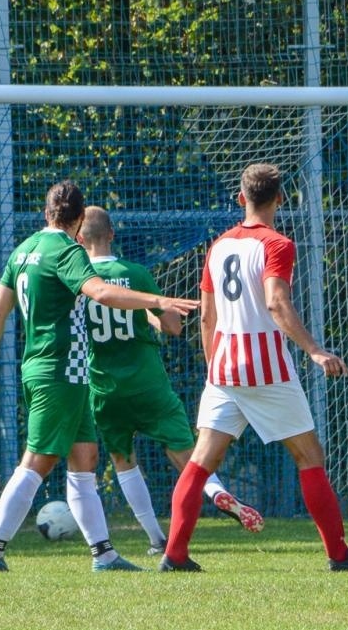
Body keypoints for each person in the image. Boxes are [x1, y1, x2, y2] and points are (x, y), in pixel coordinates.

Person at [160, 163, 348, 573]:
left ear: (241, 198)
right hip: (265, 369)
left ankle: (174, 555)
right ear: (280, 199)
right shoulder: (277, 244)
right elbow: (275, 303)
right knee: (309, 456)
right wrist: (315, 350)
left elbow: (207, 317)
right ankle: (339, 555)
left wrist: (215, 368)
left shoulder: (219, 246)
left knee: (200, 462)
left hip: (223, 367)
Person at [0, 180, 201, 573]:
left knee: (84, 458)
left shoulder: (24, 250)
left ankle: (104, 554)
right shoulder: (66, 250)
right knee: (37, 461)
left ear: (46, 213)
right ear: (78, 221)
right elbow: (102, 293)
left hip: (51, 370)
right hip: (62, 370)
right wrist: (157, 301)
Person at [76, 205, 264, 555]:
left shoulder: (80, 281)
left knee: (123, 460)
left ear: (78, 238)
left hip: (104, 386)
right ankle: (215, 491)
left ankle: (155, 538)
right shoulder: (135, 273)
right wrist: (149, 313)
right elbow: (174, 327)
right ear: (112, 235)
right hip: (148, 382)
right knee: (187, 452)